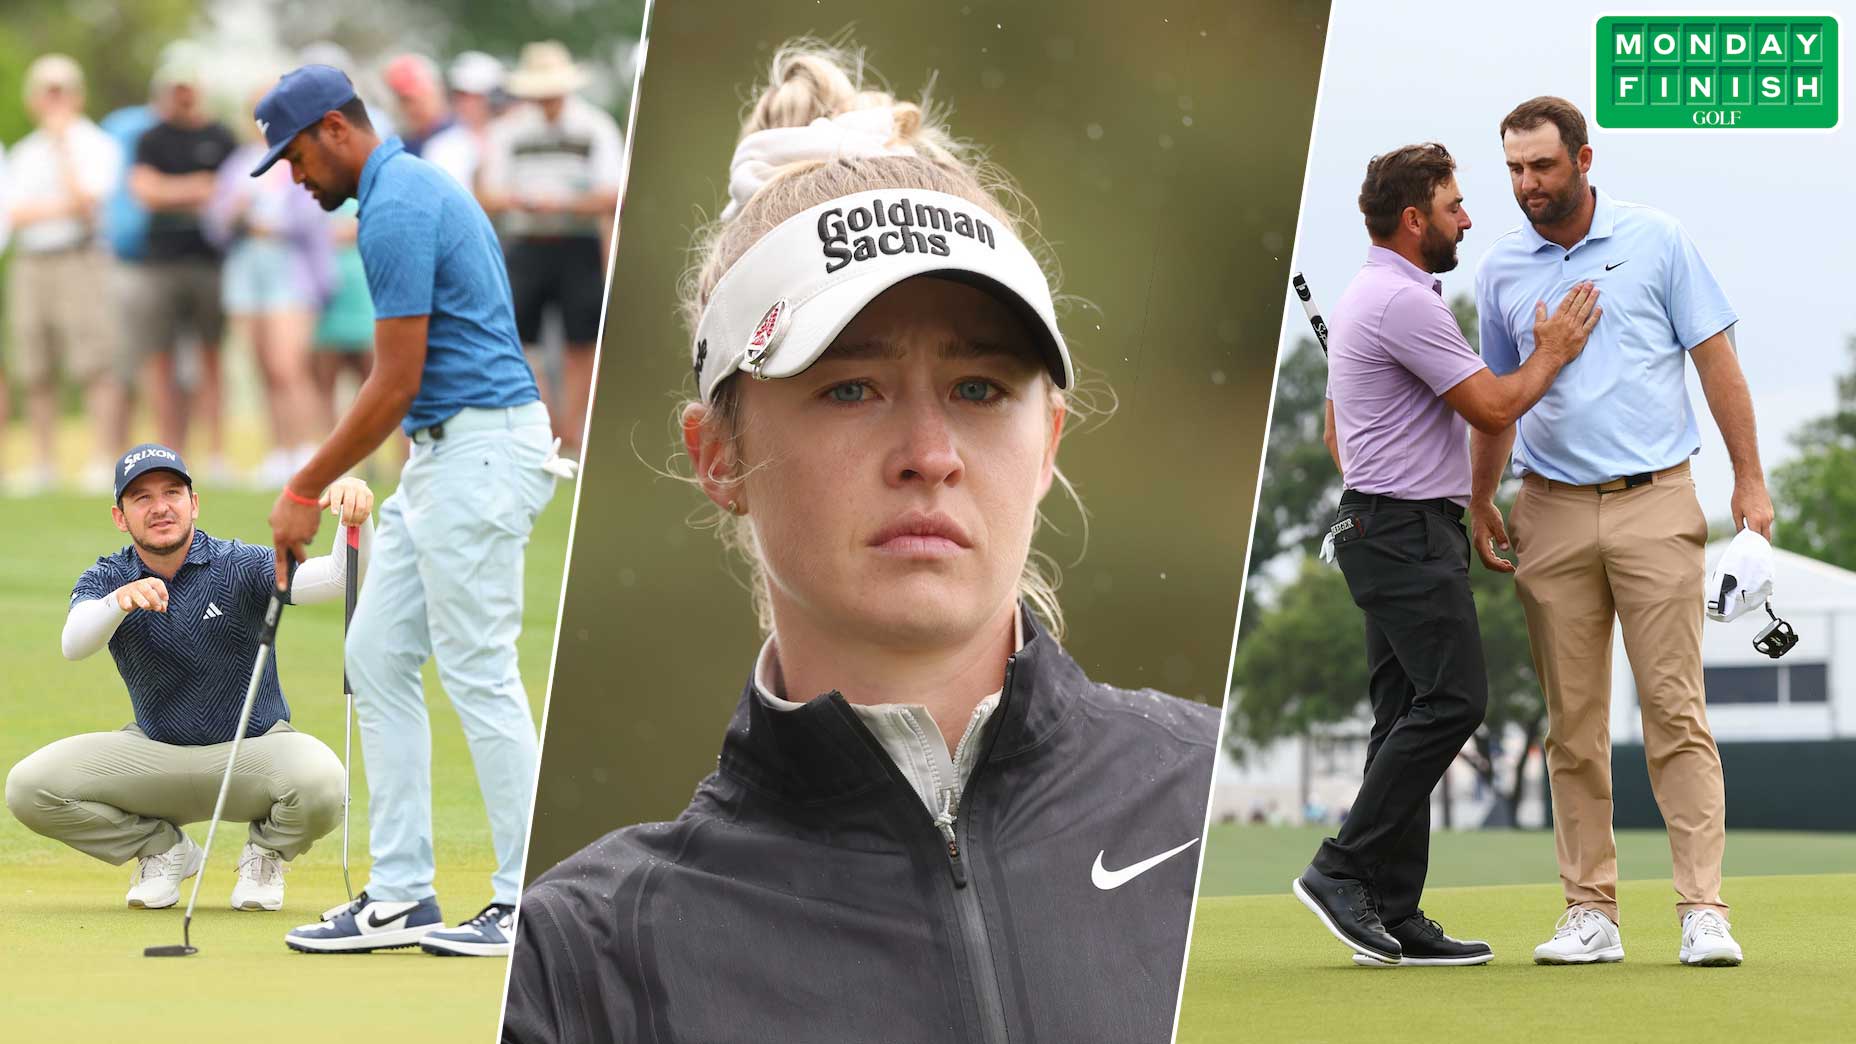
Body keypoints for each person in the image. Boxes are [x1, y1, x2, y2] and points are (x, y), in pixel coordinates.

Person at [502, 44, 1217, 1042]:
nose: (930, 455)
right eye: (850, 388)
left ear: (1048, 442)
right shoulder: (576, 960)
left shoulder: (1208, 798)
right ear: (718, 455)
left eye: (979, 388)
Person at [247, 65, 564, 957]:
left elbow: (394, 381)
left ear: (336, 129)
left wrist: (302, 487)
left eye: (296, 157)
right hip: (446, 456)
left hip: (481, 450)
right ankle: (399, 896)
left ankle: (530, 901)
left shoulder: (395, 206)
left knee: (478, 668)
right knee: (377, 656)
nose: (295, 178)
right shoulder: (402, 190)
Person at [1470, 96, 1765, 968]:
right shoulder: (1500, 268)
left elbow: (1716, 361)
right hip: (1549, 509)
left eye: (1542, 166)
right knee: (1572, 725)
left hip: (1656, 501)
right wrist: (1480, 499)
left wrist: (1749, 479)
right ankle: (1589, 912)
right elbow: (1497, 401)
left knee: (1675, 713)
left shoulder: (1658, 239)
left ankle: (1703, 911)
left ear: (1584, 159)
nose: (1527, 184)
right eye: (1515, 169)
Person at [1291, 142, 1599, 967]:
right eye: (1454, 205)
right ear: (1413, 218)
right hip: (1403, 535)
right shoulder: (1401, 303)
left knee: (1403, 716)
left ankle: (1392, 910)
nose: (1468, 218)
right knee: (1456, 701)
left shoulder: (1378, 296)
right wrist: (1552, 351)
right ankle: (1341, 869)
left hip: (1389, 529)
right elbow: (1494, 407)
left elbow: (1336, 435)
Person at [4, 443, 372, 912]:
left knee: (324, 782)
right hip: (156, 758)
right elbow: (74, 644)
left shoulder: (238, 564)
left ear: (194, 503)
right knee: (28, 788)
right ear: (120, 517)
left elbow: (340, 578)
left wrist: (357, 518)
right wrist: (119, 601)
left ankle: (265, 855)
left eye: (172, 493)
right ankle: (163, 850)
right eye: (142, 498)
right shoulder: (108, 577)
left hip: (252, 755)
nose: (160, 507)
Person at [478, 41, 624, 462]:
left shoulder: (594, 127)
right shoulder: (508, 132)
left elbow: (613, 193)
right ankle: (544, 430)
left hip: (577, 243)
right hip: (526, 244)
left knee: (582, 344)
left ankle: (573, 433)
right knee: (522, 343)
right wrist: (523, 202)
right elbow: (489, 193)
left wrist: (563, 204)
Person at [4, 54, 124, 494]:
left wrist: (64, 149)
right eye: (47, 92)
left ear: (77, 95)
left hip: (80, 258)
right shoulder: (23, 151)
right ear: (34, 99)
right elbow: (15, 215)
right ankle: (43, 461)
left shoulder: (95, 144)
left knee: (94, 361)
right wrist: (60, 208)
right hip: (32, 261)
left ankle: (102, 458)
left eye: (61, 91)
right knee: (34, 363)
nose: (54, 101)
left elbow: (88, 204)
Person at [206, 82, 335, 486]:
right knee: (262, 365)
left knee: (287, 365)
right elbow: (215, 222)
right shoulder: (238, 163)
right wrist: (235, 213)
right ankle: (279, 450)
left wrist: (270, 224)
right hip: (247, 269)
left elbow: (313, 216)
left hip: (289, 267)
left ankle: (307, 448)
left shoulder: (299, 155)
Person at [126, 60, 237, 473]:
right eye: (176, 89)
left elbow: (230, 191)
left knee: (212, 357)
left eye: (188, 88)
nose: (183, 96)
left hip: (210, 263)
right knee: (161, 360)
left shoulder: (220, 136)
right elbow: (145, 192)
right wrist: (198, 187)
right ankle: (168, 455)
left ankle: (217, 453)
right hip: (161, 264)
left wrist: (171, 191)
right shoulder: (151, 138)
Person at [421, 51, 504, 191]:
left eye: (475, 96)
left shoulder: (510, 134)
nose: (466, 103)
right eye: (461, 95)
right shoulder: (441, 146)